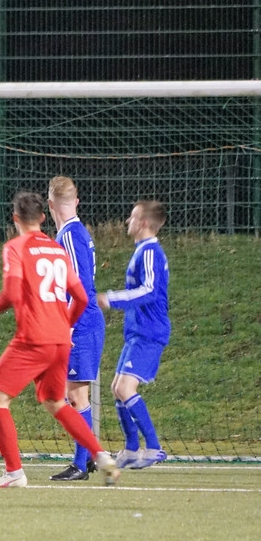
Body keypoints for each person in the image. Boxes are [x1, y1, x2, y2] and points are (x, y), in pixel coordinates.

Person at [0, 190, 119, 488]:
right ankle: (100, 455)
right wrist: (64, 324)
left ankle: (14, 473)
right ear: (43, 217)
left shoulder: (16, 247)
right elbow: (81, 297)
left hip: (33, 338)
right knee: (56, 402)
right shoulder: (57, 250)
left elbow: (11, 292)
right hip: (60, 340)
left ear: (15, 218)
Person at [96, 199, 170, 469]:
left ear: (144, 223)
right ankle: (130, 448)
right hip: (138, 332)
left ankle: (154, 447)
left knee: (126, 388)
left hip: (150, 332)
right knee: (117, 388)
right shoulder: (142, 251)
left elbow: (149, 291)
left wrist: (111, 299)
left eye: (133, 216)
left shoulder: (150, 252)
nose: (128, 221)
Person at [46, 176, 107, 481]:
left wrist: (68, 327)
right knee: (71, 396)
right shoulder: (74, 233)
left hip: (80, 324)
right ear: (77, 201)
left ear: (50, 204)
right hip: (82, 322)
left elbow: (79, 287)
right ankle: (90, 455)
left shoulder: (69, 235)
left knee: (75, 397)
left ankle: (81, 464)